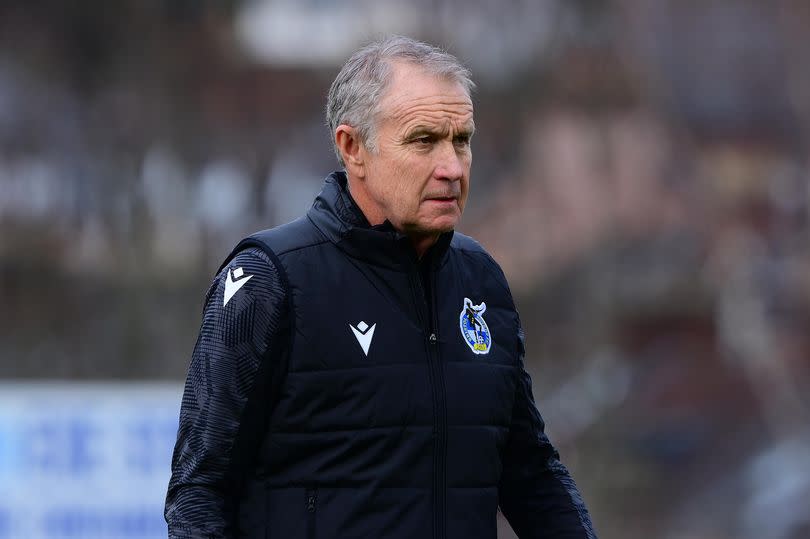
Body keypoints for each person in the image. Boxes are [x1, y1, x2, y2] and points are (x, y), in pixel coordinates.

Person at [165, 35, 598, 539]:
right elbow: (200, 492)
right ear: (353, 148)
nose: (452, 168)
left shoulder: (482, 281)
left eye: (462, 140)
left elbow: (531, 474)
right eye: (423, 140)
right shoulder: (270, 280)